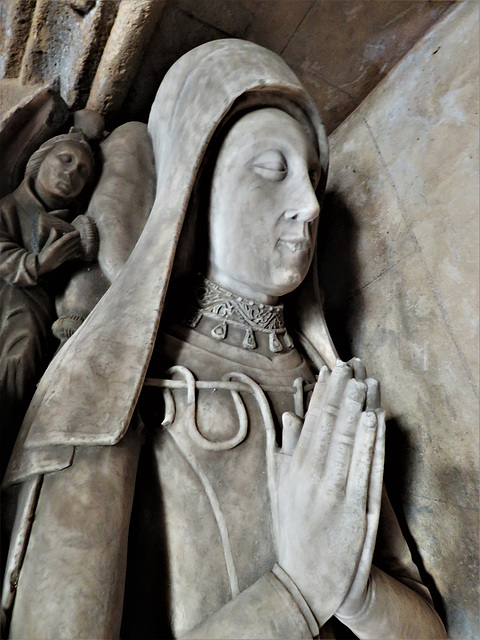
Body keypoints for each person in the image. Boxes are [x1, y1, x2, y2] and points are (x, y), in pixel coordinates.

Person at [1, 40, 446, 639]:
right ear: (194, 187)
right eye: (271, 170)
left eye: (313, 178)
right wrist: (298, 594)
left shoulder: (326, 387)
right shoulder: (111, 382)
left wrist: (360, 597)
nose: (311, 206)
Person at [0, 132, 95, 476]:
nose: (72, 172)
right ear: (39, 160)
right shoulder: (8, 208)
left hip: (44, 319)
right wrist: (39, 265)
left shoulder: (66, 224)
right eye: (66, 159)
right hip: (9, 308)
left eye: (83, 171)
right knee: (17, 354)